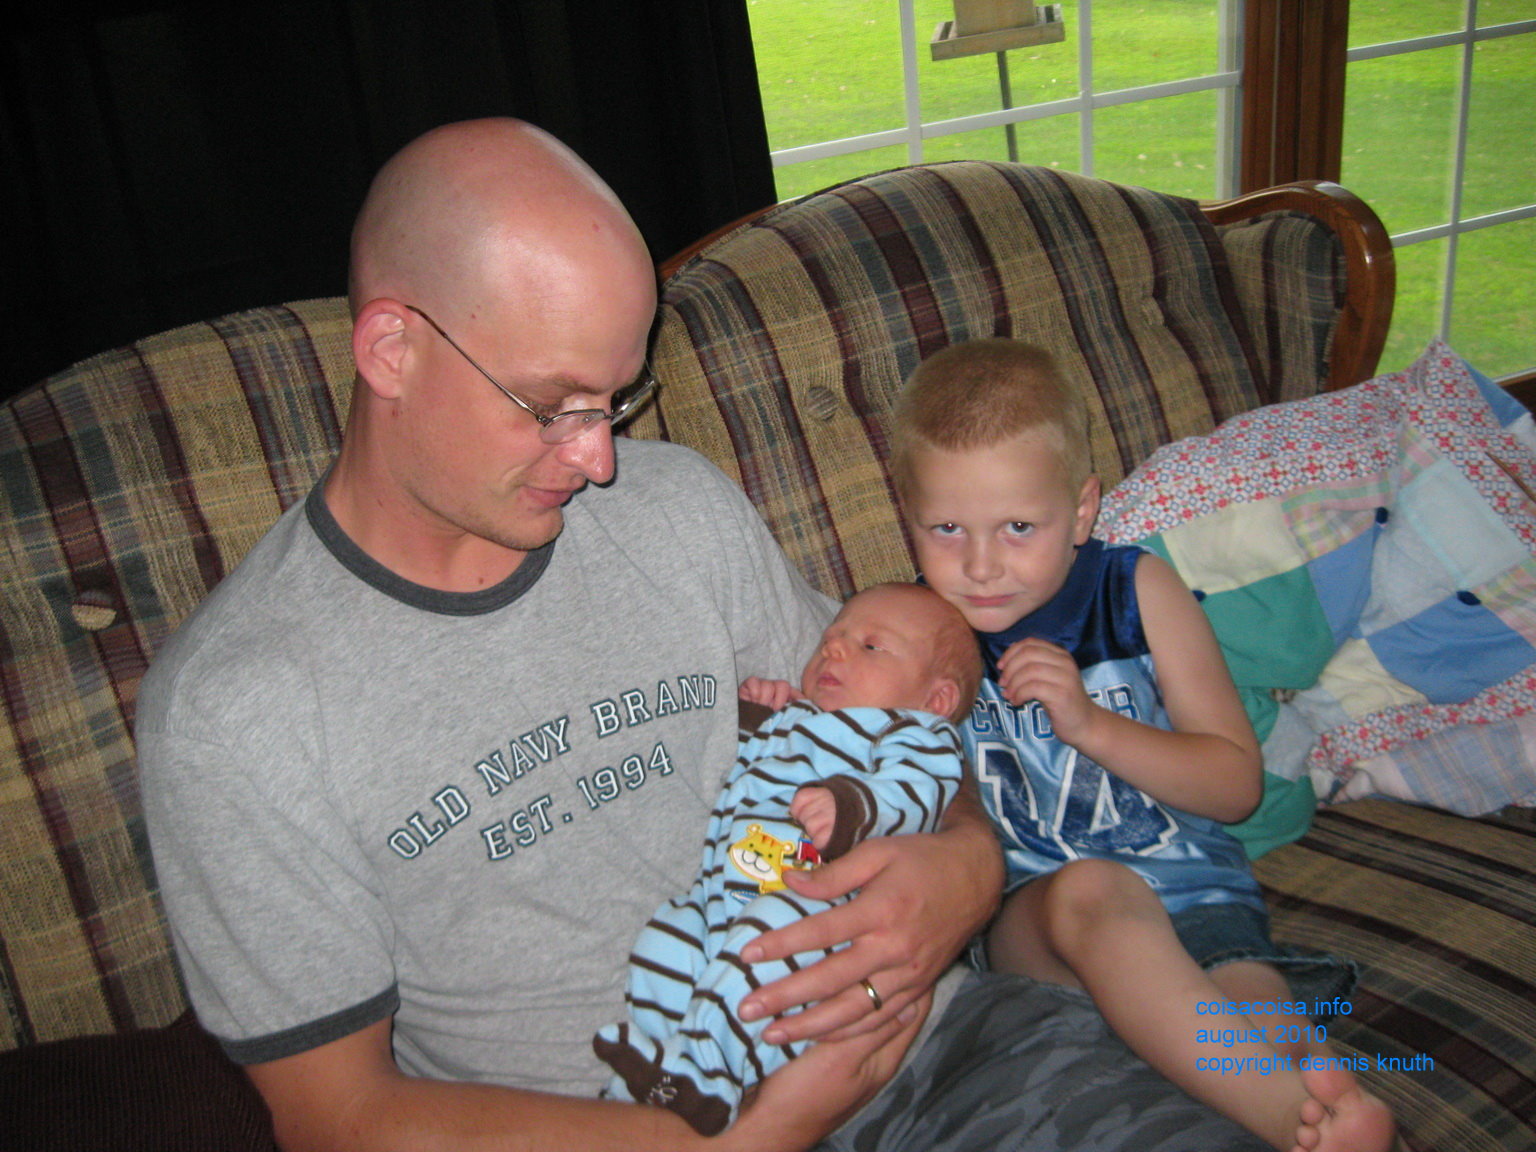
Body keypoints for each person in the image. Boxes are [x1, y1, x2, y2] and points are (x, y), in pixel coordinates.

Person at [138, 118, 1276, 1152]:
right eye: (552, 406)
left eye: (616, 401)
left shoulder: (676, 508)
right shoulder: (236, 714)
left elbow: (919, 722)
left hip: (943, 1057)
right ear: (392, 349)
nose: (599, 460)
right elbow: (339, 1116)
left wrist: (965, 868)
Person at [891, 338, 1398, 1152]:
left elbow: (1233, 785)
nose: (981, 566)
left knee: (1258, 1018)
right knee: (1093, 892)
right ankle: (1295, 1123)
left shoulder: (1137, 591)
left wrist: (1092, 725)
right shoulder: (915, 634)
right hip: (1036, 924)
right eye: (946, 528)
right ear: (908, 516)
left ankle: (1325, 1110)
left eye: (1019, 526)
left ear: (1082, 511)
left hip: (1194, 899)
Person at [595, 583, 982, 1134]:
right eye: (830, 639)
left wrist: (854, 806)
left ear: (936, 700)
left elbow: (918, 792)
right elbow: (742, 768)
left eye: (871, 646)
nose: (834, 649)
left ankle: (707, 1074)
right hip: (724, 896)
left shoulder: (911, 732)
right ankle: (652, 1067)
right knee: (667, 936)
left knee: (764, 945)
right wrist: (756, 716)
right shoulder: (797, 719)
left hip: (819, 906)